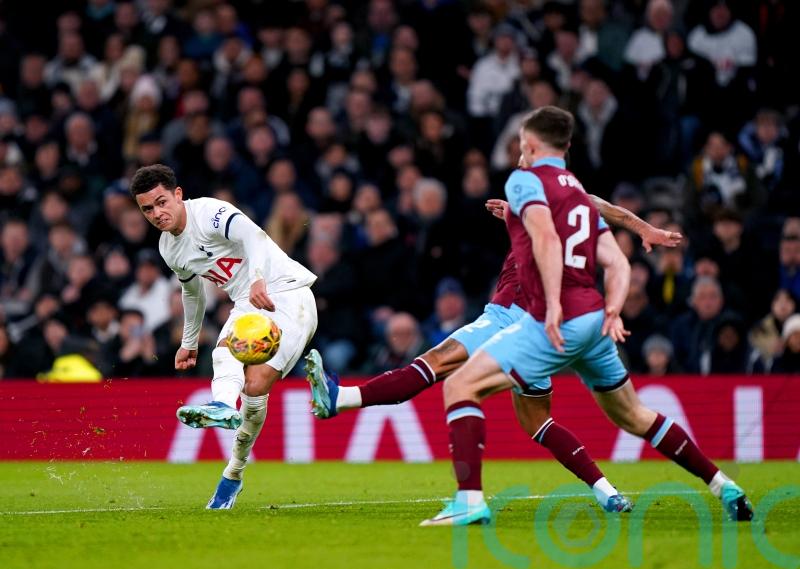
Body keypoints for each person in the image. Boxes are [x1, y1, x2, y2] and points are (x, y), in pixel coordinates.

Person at [304, 132, 682, 515]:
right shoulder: (568, 207)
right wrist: (643, 229)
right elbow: (604, 210)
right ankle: (607, 492)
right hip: (539, 328)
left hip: (508, 319)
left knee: (435, 364)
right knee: (539, 423)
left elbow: (593, 212)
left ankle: (342, 400)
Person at [412, 106, 752, 526]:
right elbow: (617, 263)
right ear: (568, 146)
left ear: (532, 146)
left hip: (553, 321)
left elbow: (546, 242)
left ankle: (468, 501)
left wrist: (552, 305)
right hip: (594, 320)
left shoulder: (523, 181)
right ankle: (723, 484)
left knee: (461, 385)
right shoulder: (575, 194)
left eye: (521, 146)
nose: (519, 154)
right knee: (635, 416)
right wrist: (614, 307)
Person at [129, 164, 317, 509]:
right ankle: (229, 449)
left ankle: (233, 460)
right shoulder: (169, 249)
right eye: (147, 209)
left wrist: (258, 277)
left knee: (246, 372)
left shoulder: (211, 213)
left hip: (287, 293)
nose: (157, 213)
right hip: (248, 304)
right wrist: (189, 340)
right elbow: (193, 293)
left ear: (178, 194)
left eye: (161, 202)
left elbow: (254, 236)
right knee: (245, 378)